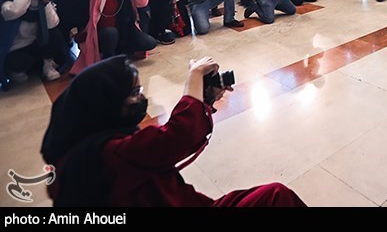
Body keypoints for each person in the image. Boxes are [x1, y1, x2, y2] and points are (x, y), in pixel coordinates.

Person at [40, 55, 306, 207]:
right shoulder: (106, 154)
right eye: (134, 93)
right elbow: (175, 139)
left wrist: (206, 101)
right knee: (276, 197)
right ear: (104, 103)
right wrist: (192, 81)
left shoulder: (93, 144)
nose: (142, 97)